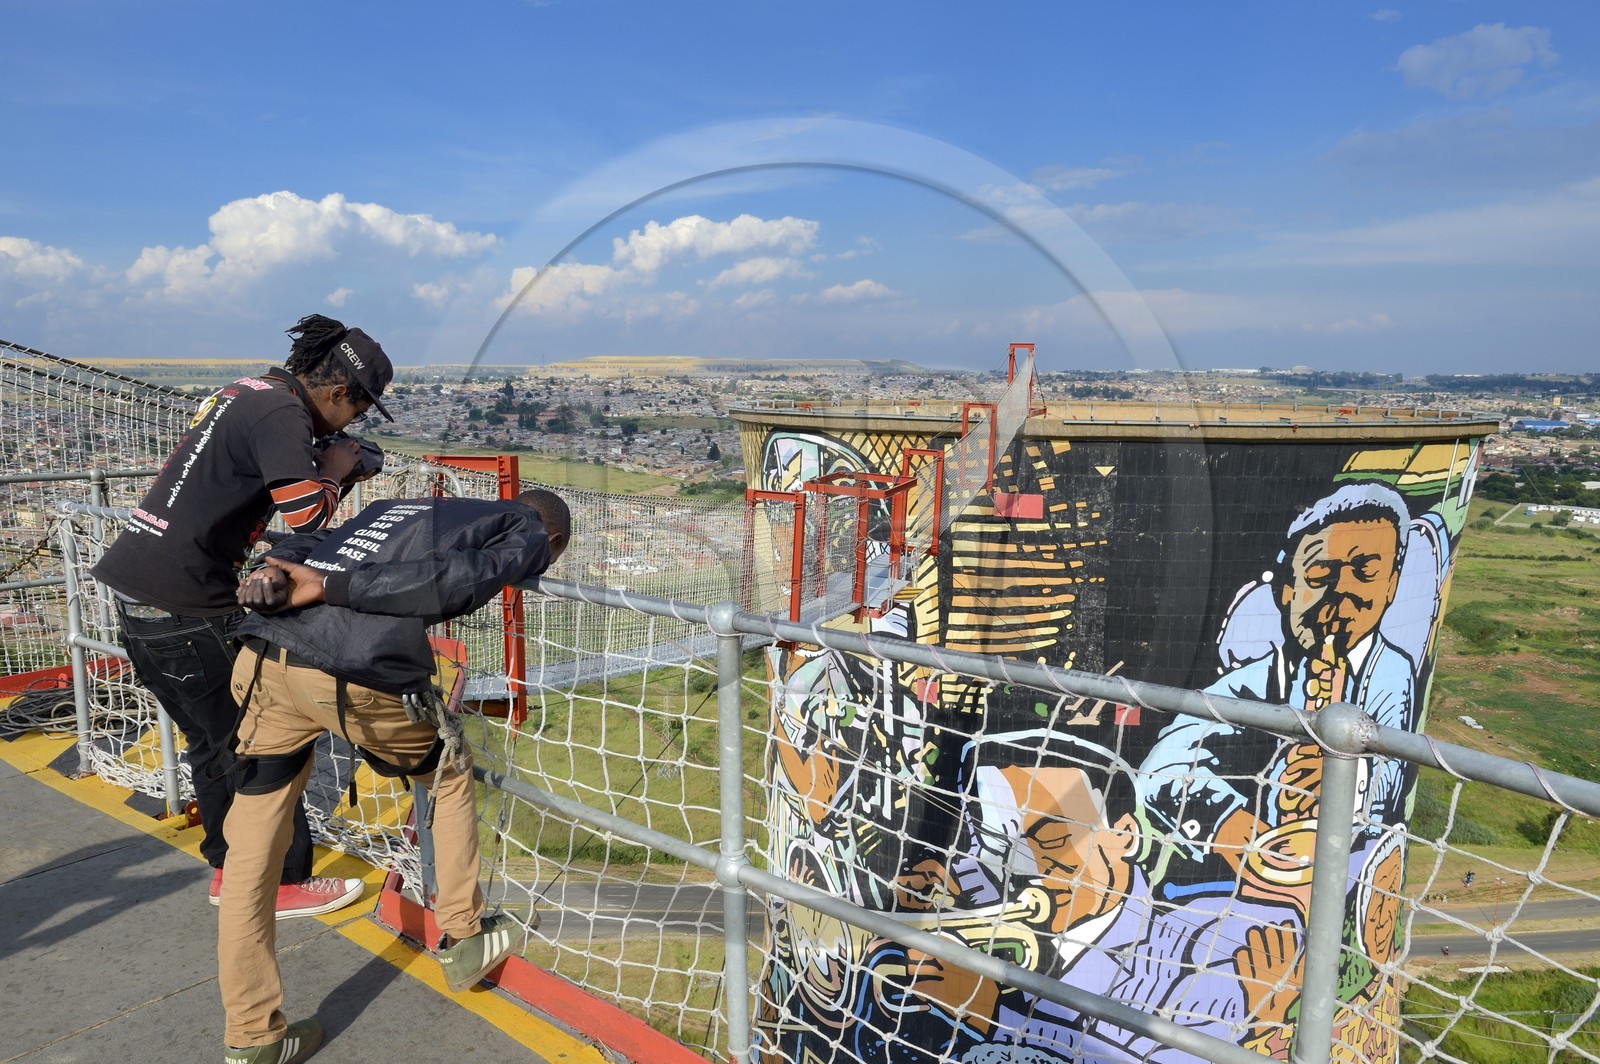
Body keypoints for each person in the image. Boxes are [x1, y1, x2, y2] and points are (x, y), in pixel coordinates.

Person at [216, 489, 570, 1063]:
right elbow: (458, 581)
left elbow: (310, 546)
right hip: (349, 674)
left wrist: (278, 574)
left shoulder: (403, 506)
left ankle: (252, 1037)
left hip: (262, 657)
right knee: (449, 767)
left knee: (250, 855)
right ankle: (463, 933)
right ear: (554, 540)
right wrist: (332, 587)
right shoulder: (527, 526)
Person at [90, 314, 396, 918]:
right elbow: (307, 514)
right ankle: (276, 883)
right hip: (186, 603)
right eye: (357, 413)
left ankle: (231, 873)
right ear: (339, 393)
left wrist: (334, 460)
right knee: (260, 744)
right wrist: (335, 470)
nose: (352, 425)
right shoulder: (282, 414)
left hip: (143, 592)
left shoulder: (249, 391)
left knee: (214, 742)